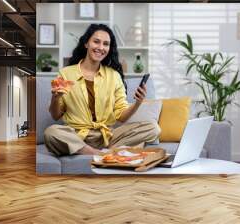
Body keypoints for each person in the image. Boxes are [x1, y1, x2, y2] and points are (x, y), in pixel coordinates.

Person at [44, 24, 160, 156]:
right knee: (51, 132)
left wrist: (138, 102)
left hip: (107, 137)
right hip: (76, 136)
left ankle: (93, 151)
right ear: (87, 43)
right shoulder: (65, 74)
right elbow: (55, 116)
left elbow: (121, 116)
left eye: (106, 44)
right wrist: (56, 97)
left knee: (152, 128)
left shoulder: (114, 76)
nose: (100, 47)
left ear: (109, 48)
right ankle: (100, 153)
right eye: (96, 41)